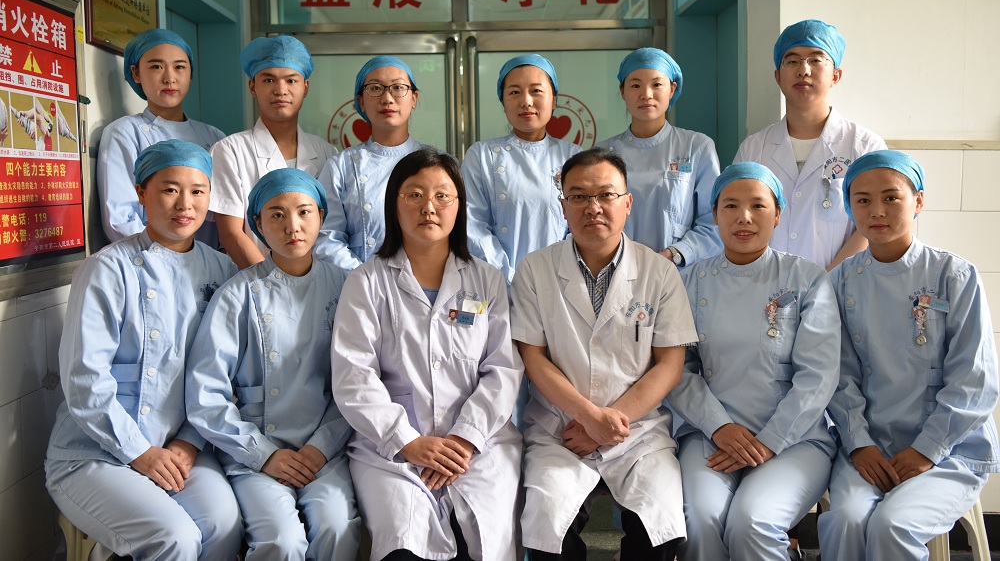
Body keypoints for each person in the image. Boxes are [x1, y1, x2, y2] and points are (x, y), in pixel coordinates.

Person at [45, 140, 241, 560]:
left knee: (223, 525)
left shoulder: (221, 269)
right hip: (95, 450)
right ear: (141, 193)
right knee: (174, 537)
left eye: (198, 191)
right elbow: (84, 380)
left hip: (179, 445)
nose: (185, 204)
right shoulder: (107, 269)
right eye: (169, 189)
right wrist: (140, 452)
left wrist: (190, 442)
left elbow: (219, 375)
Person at [331, 148, 522, 561]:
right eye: (414, 195)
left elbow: (503, 370)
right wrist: (408, 442)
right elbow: (354, 376)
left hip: (478, 446)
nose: (428, 207)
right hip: (392, 450)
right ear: (394, 204)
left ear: (459, 206)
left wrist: (465, 438)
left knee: (483, 539)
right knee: (405, 543)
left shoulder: (486, 280)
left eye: (442, 196)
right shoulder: (366, 282)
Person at [818, 150, 1000, 560]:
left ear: (918, 201)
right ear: (849, 207)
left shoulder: (954, 276)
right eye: (862, 200)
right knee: (845, 521)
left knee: (892, 525)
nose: (876, 210)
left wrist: (927, 449)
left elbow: (974, 379)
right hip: (869, 445)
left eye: (891, 197)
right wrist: (858, 443)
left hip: (949, 449)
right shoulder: (839, 282)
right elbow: (836, 375)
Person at [512, 147, 692, 560]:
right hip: (561, 429)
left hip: (637, 432)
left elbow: (670, 364)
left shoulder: (659, 272)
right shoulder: (535, 269)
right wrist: (589, 418)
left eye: (606, 195)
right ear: (563, 206)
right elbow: (533, 358)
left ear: (627, 203)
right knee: (548, 523)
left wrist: (605, 423)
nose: (593, 207)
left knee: (660, 526)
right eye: (578, 196)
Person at [665, 162, 840, 561]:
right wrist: (719, 426)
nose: (744, 217)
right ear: (714, 215)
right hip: (711, 433)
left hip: (794, 438)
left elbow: (819, 374)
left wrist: (769, 441)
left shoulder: (807, 279)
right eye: (730, 206)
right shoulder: (688, 283)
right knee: (700, 521)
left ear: (777, 214)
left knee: (752, 521)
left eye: (758, 206)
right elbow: (678, 368)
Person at [186, 167, 360, 560]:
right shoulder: (238, 294)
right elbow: (206, 392)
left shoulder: (346, 286)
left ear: (321, 216)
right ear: (258, 225)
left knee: (337, 528)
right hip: (254, 448)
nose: (292, 226)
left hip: (325, 447)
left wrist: (321, 446)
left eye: (304, 212)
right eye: (277, 215)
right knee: (281, 541)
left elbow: (357, 382)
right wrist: (262, 453)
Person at [734, 19, 886, 271]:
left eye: (816, 60)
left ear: (836, 75)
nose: (803, 70)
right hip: (765, 284)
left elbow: (873, 225)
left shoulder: (865, 146)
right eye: (792, 61)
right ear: (777, 76)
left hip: (843, 284)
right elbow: (738, 220)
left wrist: (828, 280)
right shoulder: (753, 149)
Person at [210, 35, 336, 269]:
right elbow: (231, 234)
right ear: (252, 86)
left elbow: (331, 230)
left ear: (305, 87)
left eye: (291, 80)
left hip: (319, 279)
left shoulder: (327, 152)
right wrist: (274, 282)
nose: (281, 90)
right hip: (256, 279)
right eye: (268, 80)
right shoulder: (229, 151)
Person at [97, 28, 225, 245]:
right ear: (136, 73)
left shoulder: (214, 136)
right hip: (148, 258)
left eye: (179, 67)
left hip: (211, 259)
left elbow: (226, 211)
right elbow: (120, 220)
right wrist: (169, 256)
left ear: (191, 74)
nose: (170, 78)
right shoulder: (125, 132)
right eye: (156, 66)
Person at [597, 47, 721, 268]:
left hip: (679, 272)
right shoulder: (603, 153)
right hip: (617, 270)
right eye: (635, 85)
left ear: (672, 89)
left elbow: (714, 222)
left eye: (656, 84)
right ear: (622, 91)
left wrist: (672, 255)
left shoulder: (696, 147)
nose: (646, 94)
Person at [462, 53, 581, 285]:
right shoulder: (482, 155)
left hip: (560, 282)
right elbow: (472, 225)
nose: (526, 101)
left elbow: (580, 226)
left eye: (536, 91)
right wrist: (508, 278)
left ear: (554, 100)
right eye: (514, 92)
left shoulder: (574, 156)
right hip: (498, 284)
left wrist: (554, 276)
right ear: (503, 102)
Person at [314, 55, 424, 269]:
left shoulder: (436, 163)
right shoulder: (341, 166)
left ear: (414, 98)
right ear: (361, 101)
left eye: (398, 88)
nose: (387, 98)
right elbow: (327, 239)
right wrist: (365, 280)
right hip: (359, 283)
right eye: (375, 88)